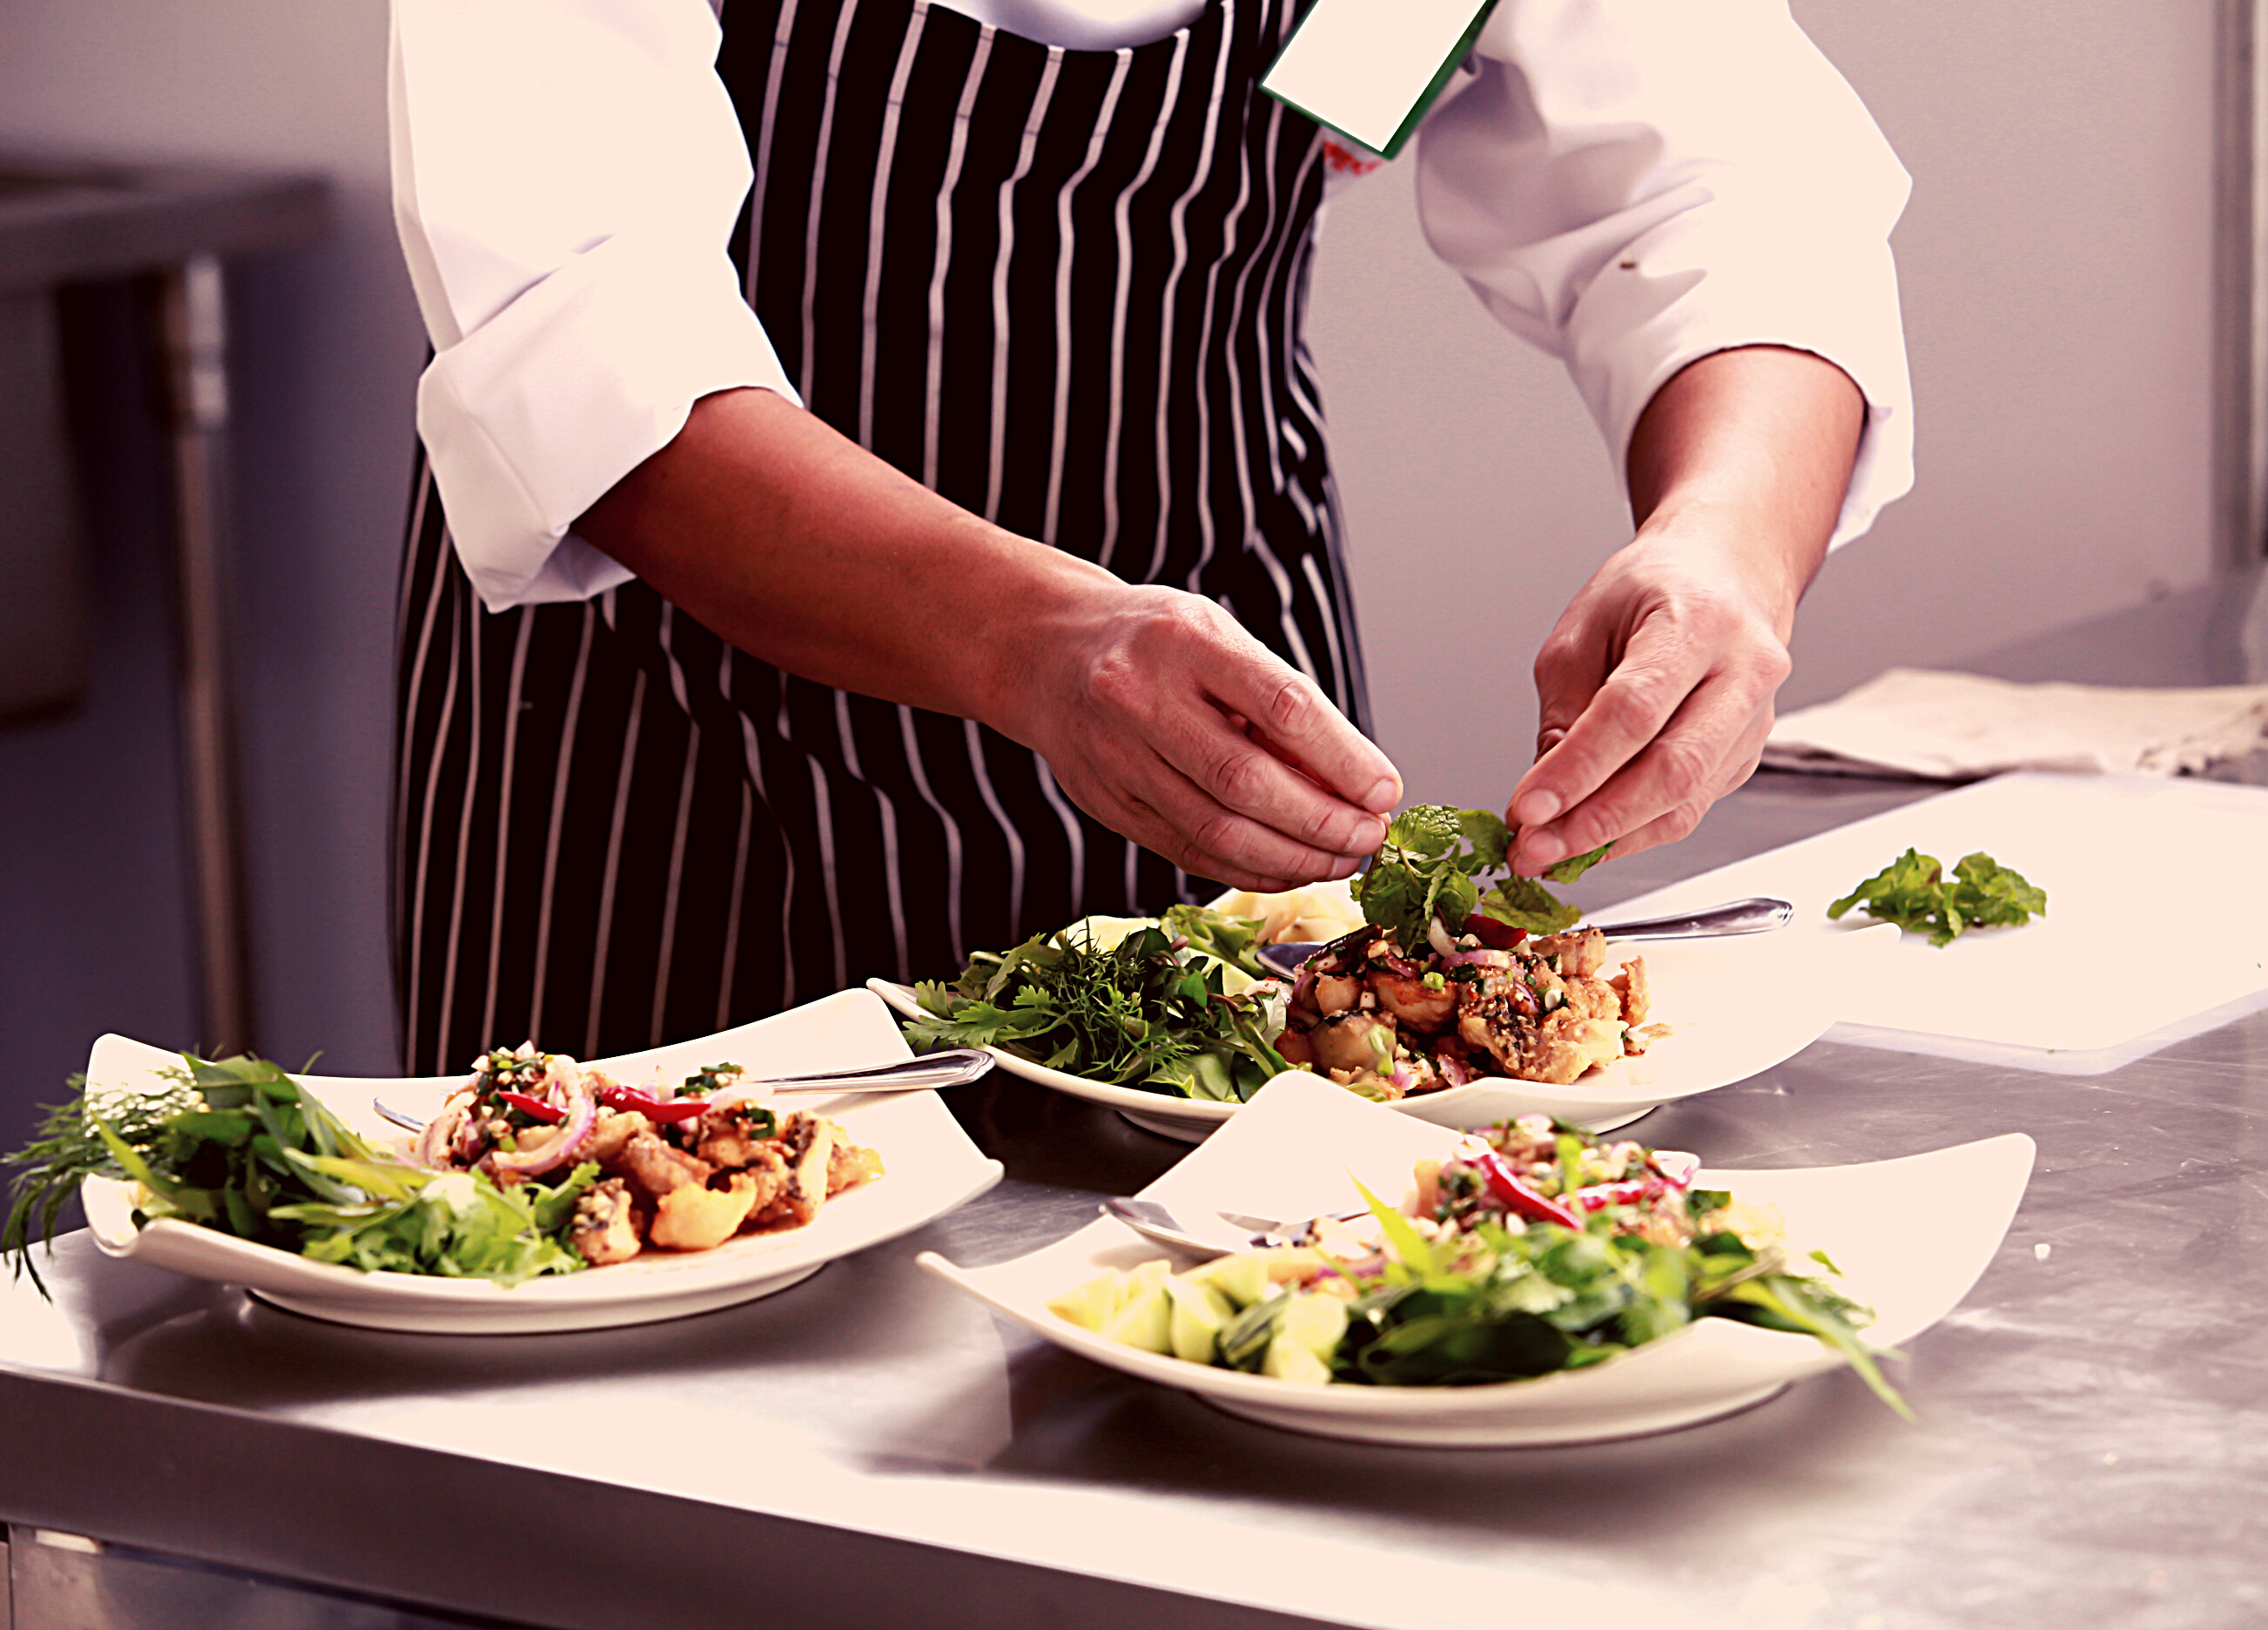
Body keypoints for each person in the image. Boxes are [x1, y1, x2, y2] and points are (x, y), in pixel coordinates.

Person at [387, 0, 1912, 1073]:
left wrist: (1725, 545)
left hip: (1233, 665)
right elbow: (579, 325)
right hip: (688, 739)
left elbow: (1723, 187)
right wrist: (1032, 643)